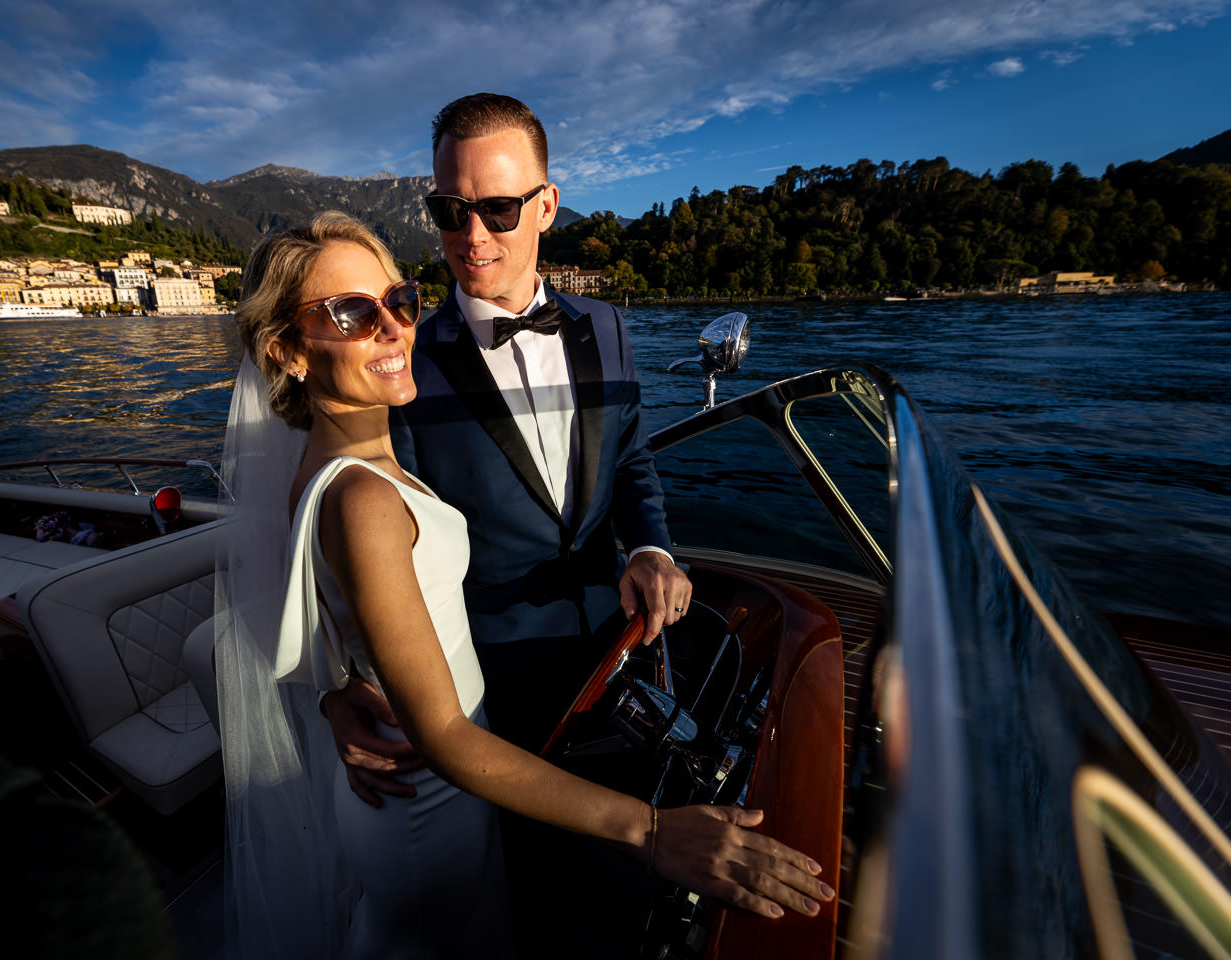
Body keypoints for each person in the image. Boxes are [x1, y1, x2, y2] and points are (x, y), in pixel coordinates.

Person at [217, 212, 834, 959]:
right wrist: (652, 829)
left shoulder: (330, 472)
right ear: (285, 350)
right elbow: (442, 735)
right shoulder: (365, 499)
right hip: (435, 795)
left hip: (441, 778)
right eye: (351, 313)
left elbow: (327, 602)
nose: (391, 328)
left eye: (399, 300)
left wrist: (336, 689)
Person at [319, 92, 708, 952]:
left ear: (547, 205)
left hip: (621, 650)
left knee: (629, 894)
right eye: (450, 212)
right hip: (491, 695)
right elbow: (355, 530)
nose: (472, 236)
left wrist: (649, 545)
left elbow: (634, 459)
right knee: (533, 906)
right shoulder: (400, 357)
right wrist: (337, 686)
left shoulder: (607, 325)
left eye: (497, 208)